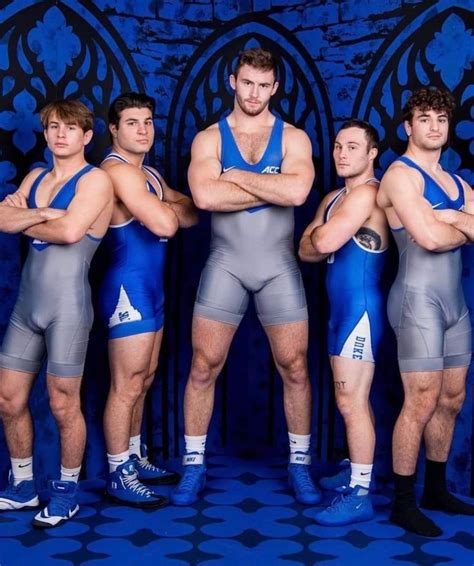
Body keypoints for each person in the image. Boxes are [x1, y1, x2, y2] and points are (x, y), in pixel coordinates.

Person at [171, 47, 319, 506]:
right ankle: (193, 466)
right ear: (232, 81)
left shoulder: (293, 137)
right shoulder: (208, 139)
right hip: (226, 266)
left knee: (294, 368)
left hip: (279, 269)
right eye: (247, 82)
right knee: (202, 367)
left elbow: (296, 192)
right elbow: (203, 196)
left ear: (275, 87)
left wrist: (234, 176)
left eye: (264, 85)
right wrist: (265, 185)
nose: (254, 93)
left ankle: (300, 467)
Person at [0, 100, 113, 527]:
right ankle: (24, 486)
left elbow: (69, 232)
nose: (59, 134)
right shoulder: (35, 177)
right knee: (8, 399)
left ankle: (67, 490)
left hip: (68, 309)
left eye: (69, 128)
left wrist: (22, 217)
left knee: (64, 404)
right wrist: (44, 213)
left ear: (86, 136)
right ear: (45, 134)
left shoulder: (97, 181)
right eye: (52, 127)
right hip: (27, 308)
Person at [377, 86, 474, 537]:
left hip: (455, 305)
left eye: (441, 119)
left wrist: (447, 219)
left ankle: (435, 490)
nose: (434, 127)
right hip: (417, 301)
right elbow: (430, 240)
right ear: (408, 126)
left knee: (451, 399)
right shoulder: (400, 175)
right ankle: (402, 501)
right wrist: (458, 223)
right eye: (425, 118)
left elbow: (440, 230)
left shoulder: (459, 184)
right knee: (419, 401)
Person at [99, 92, 197, 507]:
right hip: (127, 286)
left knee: (146, 376)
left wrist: (161, 206)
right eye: (133, 123)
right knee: (125, 384)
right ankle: (118, 472)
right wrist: (163, 208)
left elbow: (192, 212)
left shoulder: (149, 175)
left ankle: (135, 457)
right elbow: (167, 222)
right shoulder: (115, 171)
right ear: (113, 129)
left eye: (148, 121)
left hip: (151, 289)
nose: (143, 130)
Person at [299, 119, 388, 525]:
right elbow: (305, 248)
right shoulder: (337, 197)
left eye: (353, 147)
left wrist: (322, 234)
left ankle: (360, 493)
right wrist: (321, 233)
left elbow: (325, 242)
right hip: (340, 311)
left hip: (360, 311)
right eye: (337, 147)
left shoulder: (368, 195)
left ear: (372, 154)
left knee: (352, 401)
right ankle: (355, 469)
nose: (342, 154)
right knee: (348, 400)